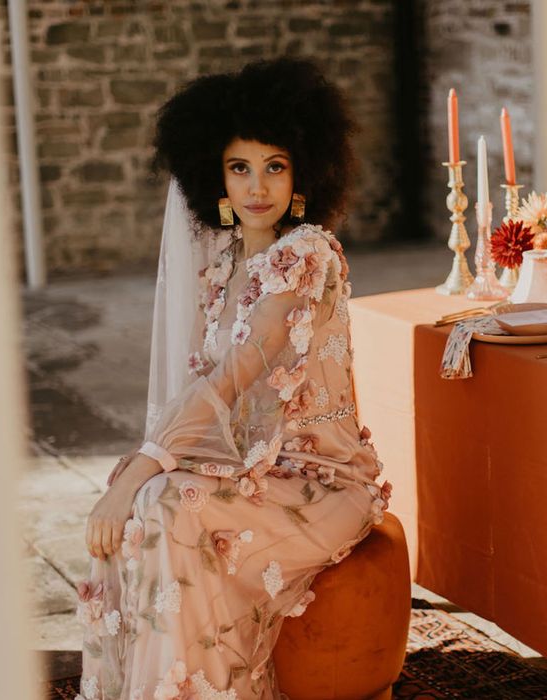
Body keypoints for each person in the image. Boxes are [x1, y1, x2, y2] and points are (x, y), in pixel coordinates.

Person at [75, 58, 390, 700]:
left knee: (165, 501)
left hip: (318, 479)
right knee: (146, 502)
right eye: (239, 167)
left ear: (302, 170)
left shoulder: (306, 255)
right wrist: (143, 470)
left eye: (274, 165)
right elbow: (203, 397)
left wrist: (144, 464)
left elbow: (229, 378)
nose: (257, 186)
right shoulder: (223, 268)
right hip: (251, 466)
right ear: (215, 177)